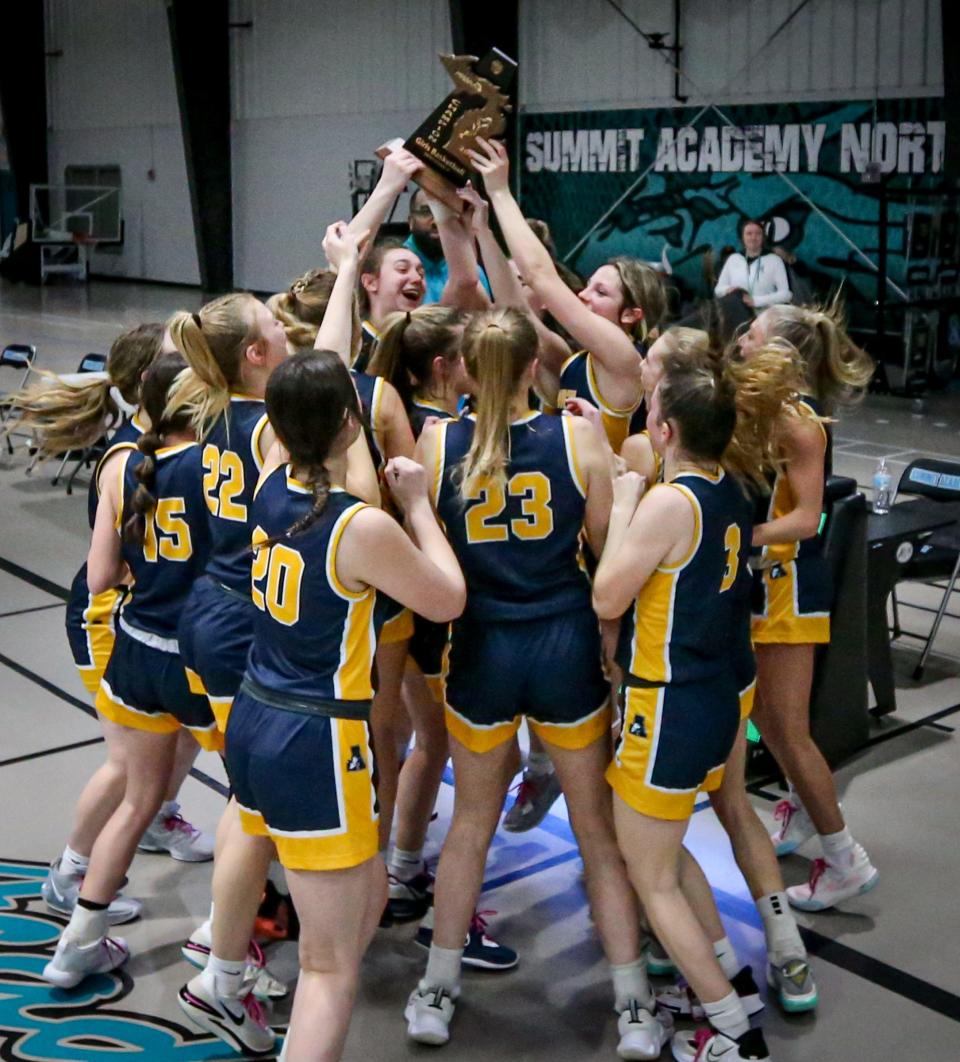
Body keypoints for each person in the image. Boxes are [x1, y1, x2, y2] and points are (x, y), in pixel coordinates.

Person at [405, 308, 668, 1060]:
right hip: (563, 643)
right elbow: (599, 544)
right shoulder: (580, 435)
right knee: (596, 834)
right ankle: (633, 1008)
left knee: (468, 830)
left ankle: (435, 989)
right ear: (531, 368)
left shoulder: (438, 440)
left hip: (482, 646)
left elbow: (435, 544)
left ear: (460, 368)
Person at [200, 350, 465, 1061]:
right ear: (352, 422)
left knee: (355, 883)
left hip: (254, 716)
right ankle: (231, 984)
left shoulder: (264, 482)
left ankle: (222, 975)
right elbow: (447, 597)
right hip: (316, 737)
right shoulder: (362, 528)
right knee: (329, 965)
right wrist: (417, 505)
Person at [622, 327, 819, 1016]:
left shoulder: (656, 471)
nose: (638, 361)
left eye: (650, 356)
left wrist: (619, 503)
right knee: (732, 808)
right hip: (729, 671)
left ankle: (722, 994)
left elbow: (611, 591)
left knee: (652, 853)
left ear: (664, 402)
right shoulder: (734, 466)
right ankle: (786, 950)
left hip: (674, 686)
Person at [594, 356, 780, 1062]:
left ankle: (732, 1032)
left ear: (664, 428)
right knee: (667, 860)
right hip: (713, 701)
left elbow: (608, 597)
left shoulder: (671, 502)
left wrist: (623, 499)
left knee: (650, 877)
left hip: (667, 707)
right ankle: (731, 979)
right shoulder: (730, 486)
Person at [9, 325, 213, 931]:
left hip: (154, 617)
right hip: (108, 618)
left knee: (188, 733)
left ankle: (157, 815)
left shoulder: (170, 445)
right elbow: (109, 570)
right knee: (128, 763)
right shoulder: (130, 458)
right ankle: (67, 872)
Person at [740, 300, 878, 912]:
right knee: (768, 722)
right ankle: (799, 815)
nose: (741, 339)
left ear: (780, 355)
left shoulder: (800, 423)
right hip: (764, 585)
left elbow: (805, 516)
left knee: (792, 733)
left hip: (790, 587)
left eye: (753, 332)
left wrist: (740, 534)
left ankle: (846, 859)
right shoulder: (760, 410)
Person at [467, 138, 665, 455]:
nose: (583, 296)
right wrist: (483, 232)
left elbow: (538, 275)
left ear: (631, 315)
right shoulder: (570, 360)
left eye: (600, 292)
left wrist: (501, 193)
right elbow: (513, 307)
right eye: (587, 285)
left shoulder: (625, 357)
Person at [405, 187, 491, 306]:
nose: (437, 221)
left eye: (446, 212)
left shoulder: (473, 270)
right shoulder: (394, 268)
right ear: (411, 222)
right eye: (426, 212)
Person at [714, 219, 792, 313]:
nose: (753, 237)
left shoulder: (774, 260)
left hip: (765, 317)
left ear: (763, 237)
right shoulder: (733, 259)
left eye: (758, 234)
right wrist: (727, 290)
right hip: (737, 316)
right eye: (749, 233)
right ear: (742, 237)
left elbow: (786, 294)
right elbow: (718, 289)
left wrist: (756, 301)